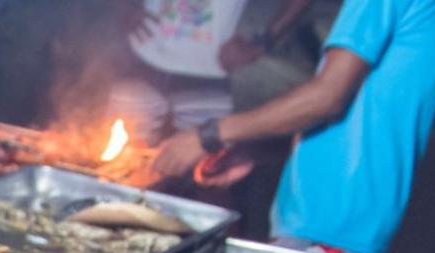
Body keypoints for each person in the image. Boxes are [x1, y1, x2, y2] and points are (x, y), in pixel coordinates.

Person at [152, 0, 435, 253]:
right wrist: (258, 150)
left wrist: (208, 135)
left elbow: (328, 97)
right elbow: (367, 106)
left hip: (331, 224)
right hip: (329, 220)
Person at [106, 0, 309, 145]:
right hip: (142, 57)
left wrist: (263, 41)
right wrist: (122, 6)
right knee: (124, 159)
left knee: (203, 171)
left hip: (209, 69)